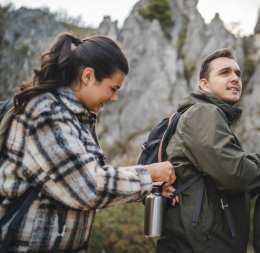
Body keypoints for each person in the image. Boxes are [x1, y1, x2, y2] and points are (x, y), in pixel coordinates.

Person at [0, 33, 175, 252]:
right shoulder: (45, 113)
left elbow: (93, 177)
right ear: (88, 76)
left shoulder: (78, 118)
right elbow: (88, 187)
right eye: (113, 88)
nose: (114, 98)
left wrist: (147, 188)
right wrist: (149, 175)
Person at [156, 48, 260, 253]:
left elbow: (222, 186)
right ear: (204, 84)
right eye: (225, 73)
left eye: (237, 74)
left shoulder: (208, 116)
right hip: (201, 244)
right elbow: (233, 173)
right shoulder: (204, 112)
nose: (234, 78)